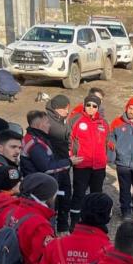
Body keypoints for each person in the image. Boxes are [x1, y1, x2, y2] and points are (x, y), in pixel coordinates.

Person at [69, 95, 110, 229]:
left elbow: (106, 142)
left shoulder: (103, 123)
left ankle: (95, 223)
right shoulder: (76, 120)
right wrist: (71, 156)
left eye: (94, 106)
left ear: (98, 108)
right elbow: (69, 140)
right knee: (79, 193)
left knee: (96, 194)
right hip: (82, 164)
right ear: (84, 105)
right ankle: (74, 222)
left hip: (98, 166)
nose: (91, 108)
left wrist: (105, 158)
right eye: (88, 105)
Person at [22, 110, 80, 185]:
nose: (49, 125)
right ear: (39, 125)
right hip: (38, 184)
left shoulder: (35, 137)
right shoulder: (35, 144)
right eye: (47, 123)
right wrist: (69, 161)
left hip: (39, 181)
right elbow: (47, 167)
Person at [45, 95, 75, 232]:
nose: (67, 112)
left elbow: (68, 138)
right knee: (54, 197)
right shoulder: (49, 123)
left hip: (64, 164)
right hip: (55, 165)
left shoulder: (62, 120)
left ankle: (63, 225)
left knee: (65, 194)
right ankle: (51, 227)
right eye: (65, 109)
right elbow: (58, 143)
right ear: (57, 108)